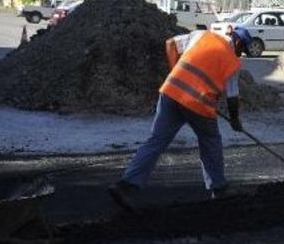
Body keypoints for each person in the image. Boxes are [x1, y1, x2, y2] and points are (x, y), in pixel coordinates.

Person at [108, 26, 253, 209]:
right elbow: (232, 97)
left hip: (171, 92)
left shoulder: (201, 36)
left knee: (157, 140)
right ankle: (219, 188)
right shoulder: (231, 62)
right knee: (210, 141)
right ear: (238, 42)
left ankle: (127, 185)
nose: (240, 55)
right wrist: (235, 121)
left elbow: (170, 44)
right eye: (242, 50)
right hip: (198, 105)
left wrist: (175, 72)